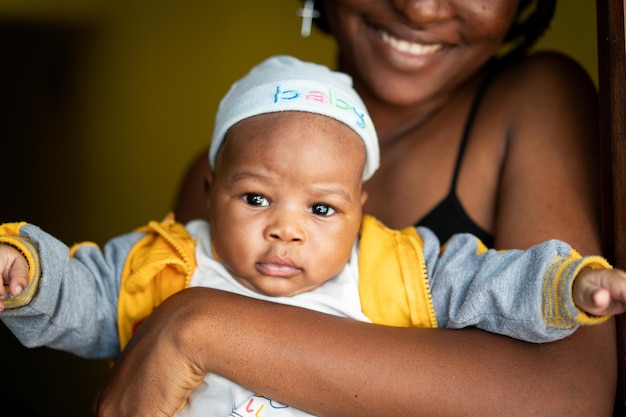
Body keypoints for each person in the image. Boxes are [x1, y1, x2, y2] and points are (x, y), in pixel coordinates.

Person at [1, 56, 623, 417]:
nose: (286, 228)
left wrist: (565, 284)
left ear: (360, 208)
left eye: (322, 209)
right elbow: (84, 292)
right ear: (211, 187)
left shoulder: (396, 268)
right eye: (255, 198)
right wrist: (24, 272)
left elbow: (492, 283)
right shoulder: (165, 260)